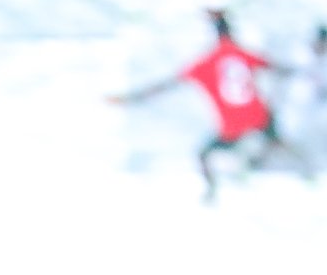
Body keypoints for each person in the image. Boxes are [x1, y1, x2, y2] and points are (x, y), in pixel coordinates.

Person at [110, 10, 313, 202]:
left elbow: (166, 85)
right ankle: (303, 168)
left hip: (232, 124)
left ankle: (211, 190)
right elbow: (278, 68)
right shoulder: (243, 54)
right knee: (275, 141)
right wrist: (304, 72)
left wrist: (131, 98)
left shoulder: (205, 63)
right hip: (259, 116)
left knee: (204, 154)